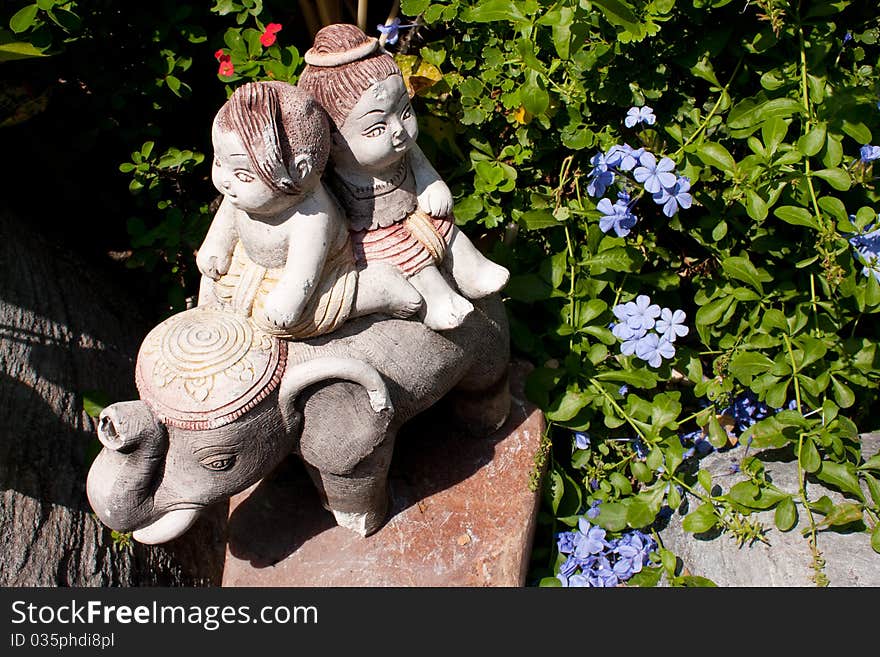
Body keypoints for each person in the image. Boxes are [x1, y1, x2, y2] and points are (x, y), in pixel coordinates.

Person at [298, 24, 509, 331]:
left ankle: (470, 268)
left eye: (405, 112)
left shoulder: (405, 151)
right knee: (402, 254)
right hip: (372, 232)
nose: (399, 131)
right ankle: (436, 299)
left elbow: (421, 166)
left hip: (415, 211)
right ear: (332, 141)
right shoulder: (333, 175)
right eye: (376, 128)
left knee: (446, 227)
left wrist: (430, 182)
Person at [197, 80, 423, 339]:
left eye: (243, 175)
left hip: (319, 278)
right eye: (218, 161)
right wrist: (216, 244)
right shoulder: (238, 193)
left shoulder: (312, 216)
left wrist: (289, 298)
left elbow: (301, 276)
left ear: (300, 172)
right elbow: (228, 217)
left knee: (283, 321)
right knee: (212, 280)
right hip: (250, 265)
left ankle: (376, 289)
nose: (225, 180)